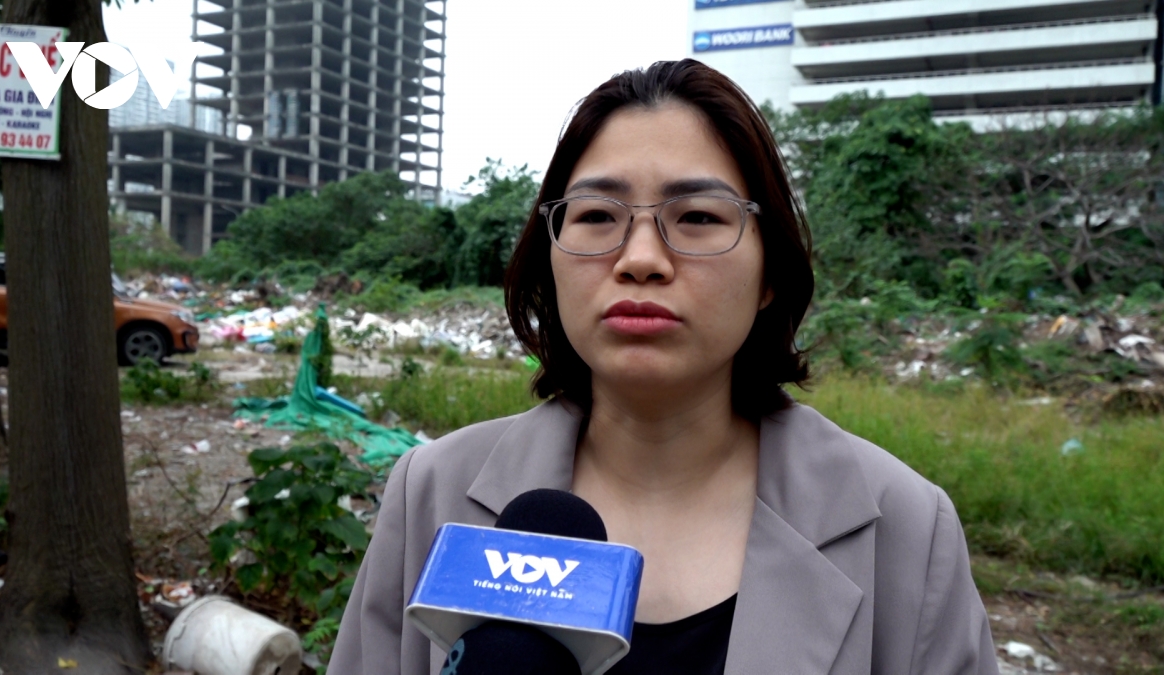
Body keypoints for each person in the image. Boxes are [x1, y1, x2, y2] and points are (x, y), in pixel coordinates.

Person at [327, 59, 999, 675]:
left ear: (770, 271)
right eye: (597, 214)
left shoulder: (906, 526)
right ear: (549, 256)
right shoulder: (432, 493)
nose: (641, 259)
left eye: (698, 216)